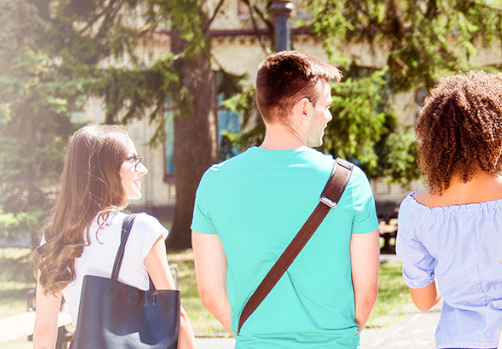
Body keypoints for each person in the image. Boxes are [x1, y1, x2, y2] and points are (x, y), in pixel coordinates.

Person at [192, 51, 380, 348]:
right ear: (304, 109)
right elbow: (367, 289)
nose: (329, 116)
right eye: (326, 106)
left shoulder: (214, 182)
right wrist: (339, 336)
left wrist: (252, 335)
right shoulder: (349, 182)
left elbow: (209, 291)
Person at [397, 71, 502, 348]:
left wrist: (458, 279)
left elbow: (423, 301)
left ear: (434, 137)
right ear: (500, 132)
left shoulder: (417, 209)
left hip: (456, 340)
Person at [31, 125, 196, 349]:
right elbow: (176, 318)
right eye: (133, 160)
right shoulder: (140, 229)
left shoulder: (55, 238)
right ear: (106, 168)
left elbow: (44, 332)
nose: (144, 169)